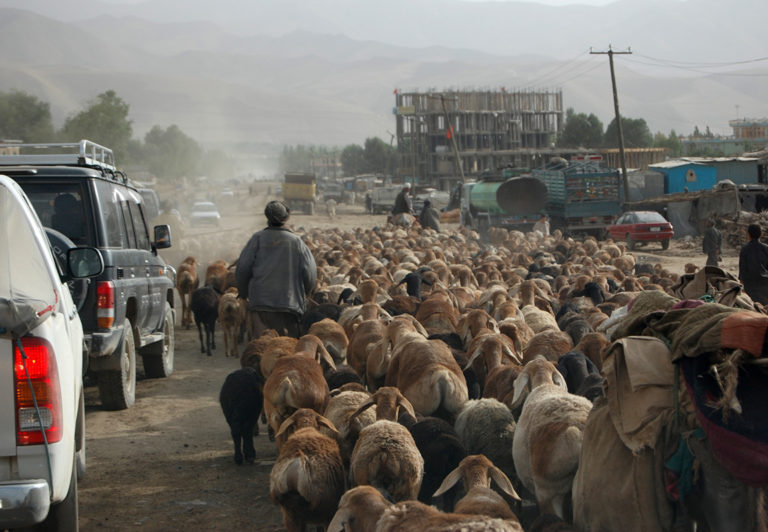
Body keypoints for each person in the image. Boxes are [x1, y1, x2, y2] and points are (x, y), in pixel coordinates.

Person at [235, 200, 317, 339]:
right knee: (288, 345)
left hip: (261, 304)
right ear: (286, 218)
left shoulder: (257, 239)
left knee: (262, 344)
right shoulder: (296, 242)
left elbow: (242, 268)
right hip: (289, 304)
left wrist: (243, 292)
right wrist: (307, 292)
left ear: (267, 217)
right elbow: (310, 272)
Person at [739, 223, 768, 305]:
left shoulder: (745, 249)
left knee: (753, 306)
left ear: (749, 235)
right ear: (761, 234)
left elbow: (742, 268)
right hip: (764, 282)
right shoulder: (766, 248)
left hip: (750, 284)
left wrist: (741, 280)